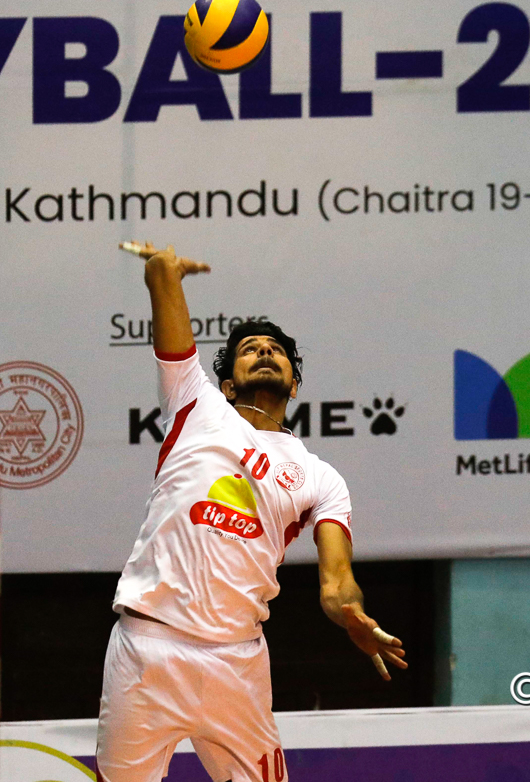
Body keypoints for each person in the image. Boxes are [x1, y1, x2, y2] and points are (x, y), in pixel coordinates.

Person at [97, 242, 407, 782]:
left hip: (236, 664)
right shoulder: (195, 404)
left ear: (295, 382)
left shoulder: (321, 478)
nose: (265, 352)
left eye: (276, 350)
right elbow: (164, 296)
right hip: (147, 649)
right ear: (227, 383)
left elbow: (337, 584)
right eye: (249, 349)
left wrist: (351, 615)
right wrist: (164, 269)